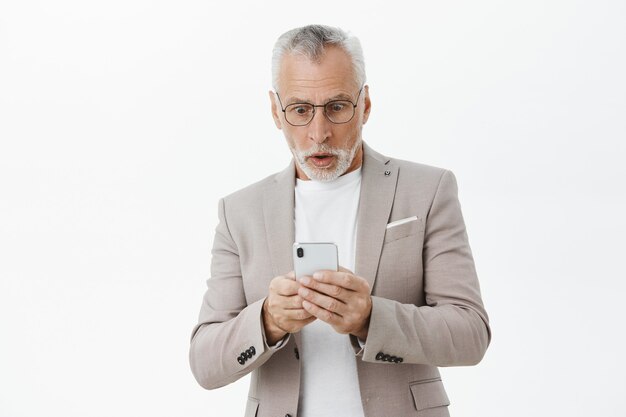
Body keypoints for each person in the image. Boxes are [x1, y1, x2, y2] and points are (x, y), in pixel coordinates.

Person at [189, 24, 491, 417]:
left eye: (336, 106)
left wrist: (371, 318)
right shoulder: (240, 211)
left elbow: (470, 334)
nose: (319, 133)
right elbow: (204, 363)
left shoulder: (428, 190)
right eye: (300, 110)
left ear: (364, 104)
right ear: (275, 112)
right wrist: (266, 321)